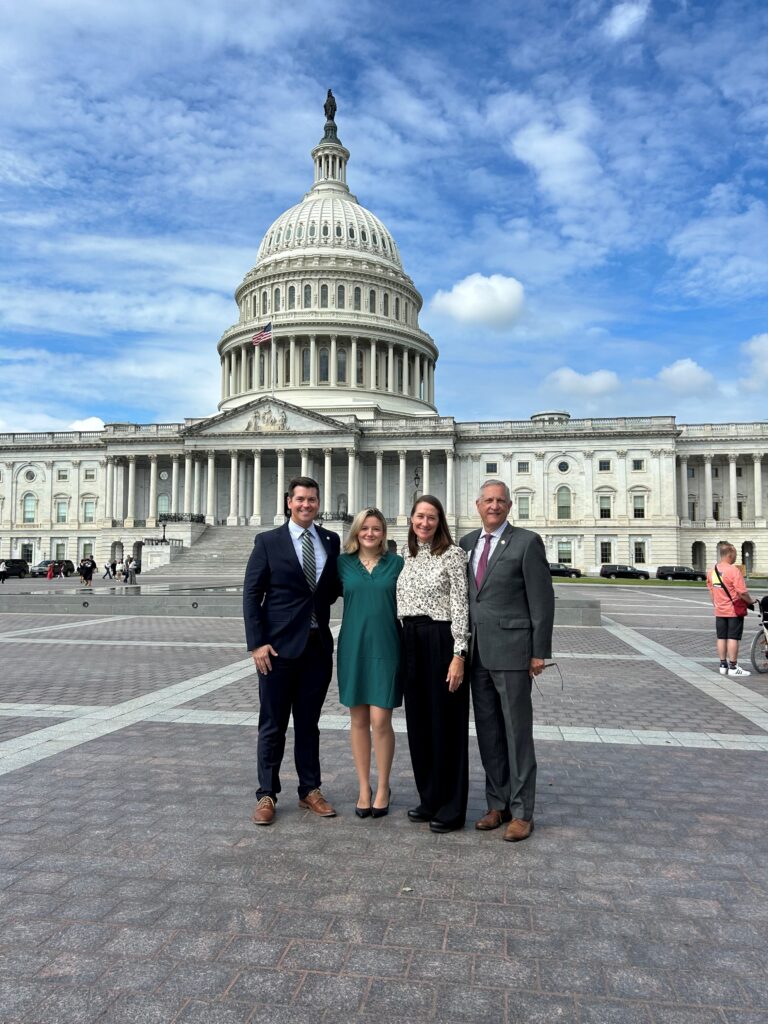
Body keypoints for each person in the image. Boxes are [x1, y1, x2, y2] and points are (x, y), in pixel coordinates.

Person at [459, 480, 554, 843]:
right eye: (488, 500)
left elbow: (542, 601)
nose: (494, 506)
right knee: (488, 733)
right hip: (477, 652)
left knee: (516, 733)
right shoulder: (466, 544)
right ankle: (497, 804)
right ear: (477, 504)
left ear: (509, 506)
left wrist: (538, 652)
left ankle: (523, 811)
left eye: (500, 501)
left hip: (513, 651)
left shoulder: (526, 542)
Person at [243, 476, 341, 826]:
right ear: (289, 502)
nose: (306, 505)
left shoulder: (330, 540)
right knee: (272, 724)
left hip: (316, 647)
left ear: (318, 503)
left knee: (309, 725)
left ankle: (310, 790)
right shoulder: (268, 541)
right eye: (300, 499)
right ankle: (266, 793)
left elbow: (333, 589)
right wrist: (256, 643)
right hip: (278, 649)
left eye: (312, 500)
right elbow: (252, 594)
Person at [396, 494, 469, 833]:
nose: (424, 523)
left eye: (431, 517)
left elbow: (461, 605)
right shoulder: (405, 555)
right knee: (420, 725)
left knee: (448, 726)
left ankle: (452, 807)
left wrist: (459, 653)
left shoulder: (454, 555)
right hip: (409, 639)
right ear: (411, 519)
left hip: (441, 641)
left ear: (440, 522)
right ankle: (429, 798)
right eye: (419, 516)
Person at [337, 507, 404, 818]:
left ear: (383, 533)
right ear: (356, 532)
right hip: (353, 647)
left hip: (387, 648)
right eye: (365, 528)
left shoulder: (398, 564)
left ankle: (383, 786)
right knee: (359, 721)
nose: (370, 533)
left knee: (381, 721)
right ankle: (364, 787)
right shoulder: (342, 564)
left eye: (376, 528)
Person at [707, 542, 755, 678]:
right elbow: (742, 592)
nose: (736, 557)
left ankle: (723, 665)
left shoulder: (712, 571)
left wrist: (717, 604)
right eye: (735, 554)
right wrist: (751, 601)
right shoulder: (733, 570)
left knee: (721, 637)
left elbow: (711, 591)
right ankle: (733, 666)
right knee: (733, 637)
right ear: (730, 554)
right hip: (733, 610)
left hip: (719, 610)